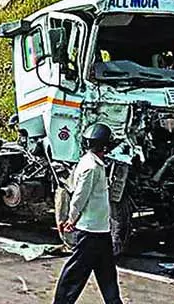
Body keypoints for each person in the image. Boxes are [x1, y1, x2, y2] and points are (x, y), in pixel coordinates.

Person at [53, 123, 123, 304]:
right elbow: (79, 197)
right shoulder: (91, 167)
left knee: (108, 275)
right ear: (104, 146)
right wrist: (71, 219)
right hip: (89, 232)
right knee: (74, 275)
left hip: (101, 231)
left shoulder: (93, 162)